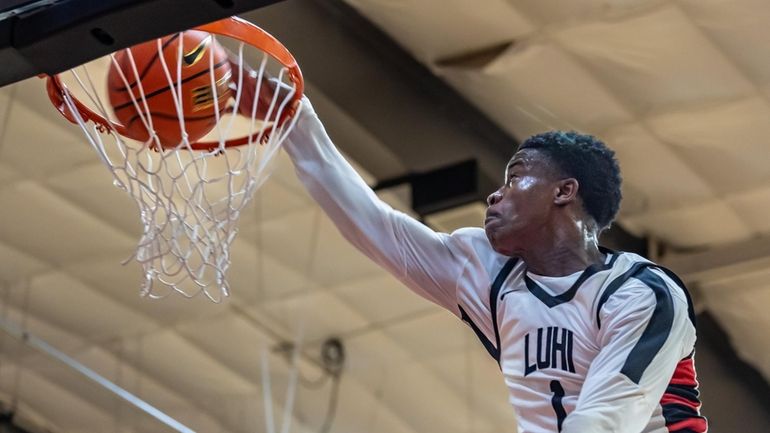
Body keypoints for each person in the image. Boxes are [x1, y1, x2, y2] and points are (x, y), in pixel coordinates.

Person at [233, 66, 708, 433]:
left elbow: (607, 418)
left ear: (564, 192)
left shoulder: (642, 294)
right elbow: (372, 225)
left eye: (516, 176)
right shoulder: (486, 270)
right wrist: (294, 119)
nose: (494, 195)